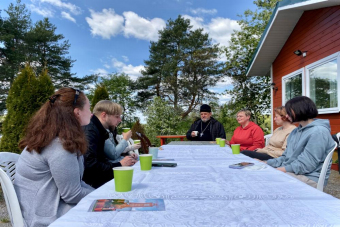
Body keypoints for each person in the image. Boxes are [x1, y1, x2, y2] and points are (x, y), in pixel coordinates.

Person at [14, 88, 94, 227]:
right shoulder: (60, 146)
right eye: (89, 108)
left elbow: (76, 184)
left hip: (42, 207)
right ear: (77, 112)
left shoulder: (52, 138)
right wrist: (102, 196)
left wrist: (99, 193)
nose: (92, 113)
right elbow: (72, 195)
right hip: (44, 217)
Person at [266, 96, 335, 188]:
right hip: (293, 171)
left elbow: (307, 165)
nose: (286, 116)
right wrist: (266, 163)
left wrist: (279, 170)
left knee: (266, 180)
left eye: (289, 112)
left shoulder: (319, 132)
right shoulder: (295, 131)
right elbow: (285, 157)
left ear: (300, 110)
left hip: (310, 177)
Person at [83, 100, 136, 189]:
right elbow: (90, 166)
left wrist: (126, 157)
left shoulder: (99, 129)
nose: (120, 120)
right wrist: (119, 165)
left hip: (100, 178)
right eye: (117, 116)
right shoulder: (90, 131)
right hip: (94, 184)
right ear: (104, 115)